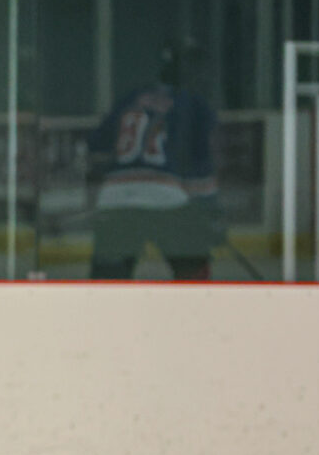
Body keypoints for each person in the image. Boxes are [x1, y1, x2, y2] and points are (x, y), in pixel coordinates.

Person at [87, 38, 223, 280]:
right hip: (165, 196)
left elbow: (96, 148)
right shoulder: (194, 103)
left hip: (114, 197)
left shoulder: (130, 98)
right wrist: (212, 216)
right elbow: (201, 169)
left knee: (107, 283)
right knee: (194, 275)